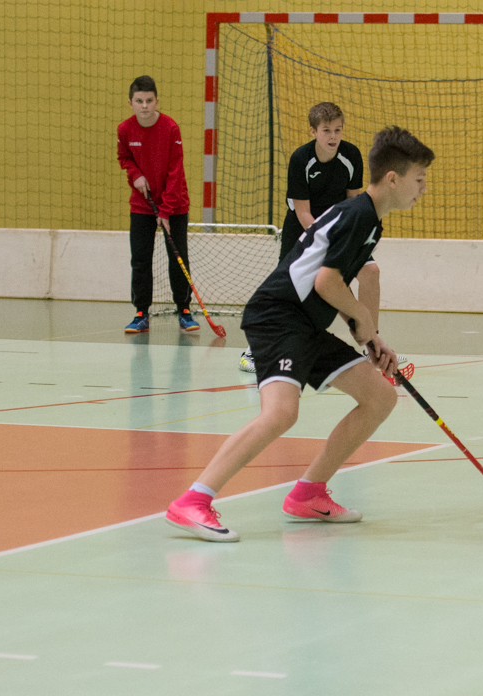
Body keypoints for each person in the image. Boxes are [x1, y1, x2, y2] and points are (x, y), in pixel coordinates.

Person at [166, 126, 434, 543]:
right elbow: (328, 282)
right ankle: (192, 501)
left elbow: (332, 286)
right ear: (393, 179)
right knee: (280, 413)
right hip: (278, 316)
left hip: (305, 323)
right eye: (419, 179)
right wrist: (363, 318)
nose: (423, 189)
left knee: (379, 396)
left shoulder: (370, 222)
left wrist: (370, 338)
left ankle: (308, 493)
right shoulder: (359, 215)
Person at [240, 102, 364, 372]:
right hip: (302, 225)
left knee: (351, 279)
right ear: (313, 132)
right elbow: (303, 211)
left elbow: (352, 204)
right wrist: (324, 239)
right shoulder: (300, 159)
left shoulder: (351, 155)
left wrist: (346, 237)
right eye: (326, 130)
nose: (333, 136)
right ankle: (254, 350)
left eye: (338, 130)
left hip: (335, 226)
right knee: (284, 289)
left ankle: (367, 344)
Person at [116, 75, 199, 334]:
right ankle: (141, 312)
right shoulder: (124, 130)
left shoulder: (170, 128)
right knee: (140, 259)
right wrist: (135, 174)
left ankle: (184, 310)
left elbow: (176, 171)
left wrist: (165, 210)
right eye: (139, 101)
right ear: (131, 103)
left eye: (149, 101)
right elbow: (124, 158)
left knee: (178, 258)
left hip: (174, 205)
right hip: (142, 206)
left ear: (156, 101)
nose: (144, 106)